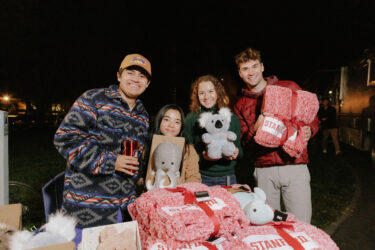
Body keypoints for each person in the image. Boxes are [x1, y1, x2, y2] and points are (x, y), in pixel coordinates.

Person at [54, 53, 151, 228]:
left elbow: (136, 157)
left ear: (147, 84)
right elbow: (65, 139)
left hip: (124, 210)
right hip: (86, 210)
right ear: (119, 75)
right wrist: (112, 162)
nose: (136, 79)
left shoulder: (142, 115)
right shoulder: (93, 99)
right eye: (131, 73)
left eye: (142, 76)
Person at [233, 47, 319, 223]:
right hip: (264, 170)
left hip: (294, 165)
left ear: (262, 67)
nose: (251, 72)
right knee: (269, 224)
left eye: (254, 66)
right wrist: (254, 129)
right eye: (245, 68)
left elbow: (311, 116)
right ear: (240, 73)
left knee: (302, 224)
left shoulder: (289, 87)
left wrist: (311, 128)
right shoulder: (240, 105)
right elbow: (245, 144)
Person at [184, 74, 243, 186]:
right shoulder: (191, 119)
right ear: (196, 96)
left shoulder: (231, 118)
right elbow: (187, 153)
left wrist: (236, 152)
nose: (206, 97)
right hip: (201, 177)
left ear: (218, 92)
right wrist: (204, 157)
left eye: (211, 91)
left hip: (227, 178)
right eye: (202, 93)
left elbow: (240, 150)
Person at [140, 104, 202, 186]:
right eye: (167, 120)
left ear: (181, 126)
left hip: (178, 195)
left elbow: (194, 178)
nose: (171, 125)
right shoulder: (148, 144)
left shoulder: (188, 149)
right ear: (159, 121)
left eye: (177, 122)